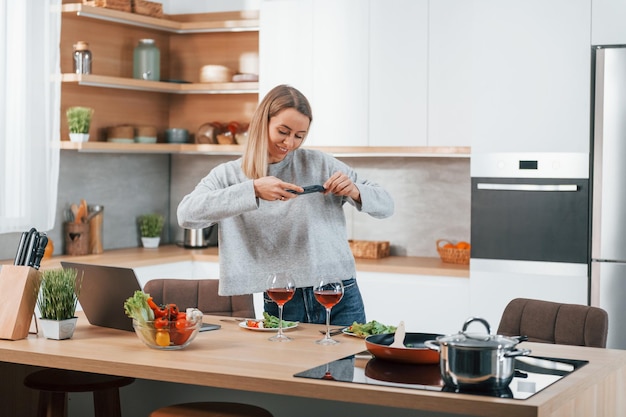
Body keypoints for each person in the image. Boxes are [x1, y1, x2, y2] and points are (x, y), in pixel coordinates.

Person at [177, 84, 394, 326]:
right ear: (263, 123)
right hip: (282, 297)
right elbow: (187, 214)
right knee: (290, 364)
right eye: (283, 131)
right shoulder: (229, 175)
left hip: (337, 291)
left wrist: (355, 191)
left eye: (299, 136)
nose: (289, 143)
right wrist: (253, 190)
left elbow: (386, 205)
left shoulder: (320, 164)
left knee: (342, 364)